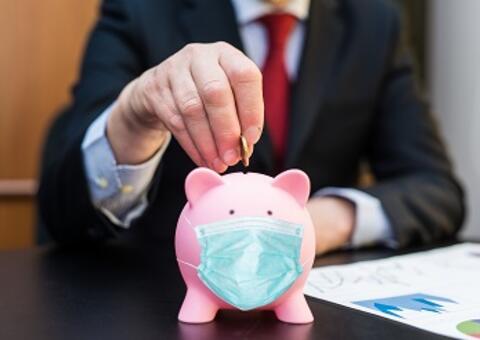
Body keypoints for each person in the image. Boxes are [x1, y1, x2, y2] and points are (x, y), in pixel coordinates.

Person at [38, 0, 465, 253]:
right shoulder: (140, 9)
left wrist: (322, 221)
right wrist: (133, 115)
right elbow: (66, 207)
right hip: (161, 300)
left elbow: (435, 188)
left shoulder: (374, 21)